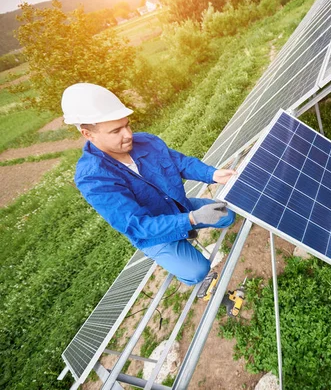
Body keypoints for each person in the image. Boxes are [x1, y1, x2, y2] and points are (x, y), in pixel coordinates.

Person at [62, 83, 236, 286]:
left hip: (178, 207)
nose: (127, 134)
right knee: (197, 271)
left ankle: (187, 229)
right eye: (116, 131)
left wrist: (213, 174)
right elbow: (138, 225)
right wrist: (191, 219)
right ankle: (177, 252)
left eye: (127, 124)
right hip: (153, 235)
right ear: (88, 134)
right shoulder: (94, 179)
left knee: (227, 216)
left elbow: (180, 163)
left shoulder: (146, 142)